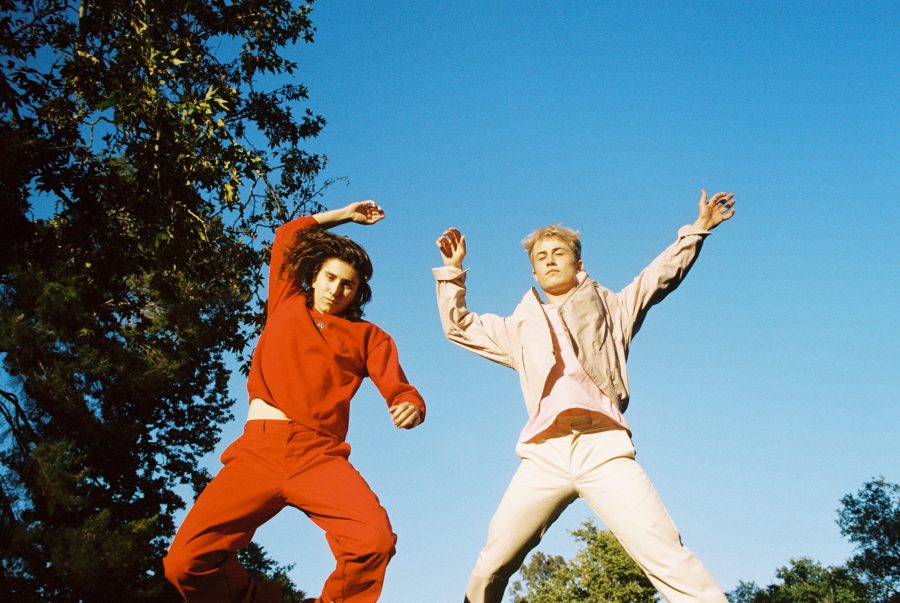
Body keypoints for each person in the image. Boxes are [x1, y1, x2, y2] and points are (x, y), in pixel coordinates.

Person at [434, 190, 736, 603]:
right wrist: (452, 271)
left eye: (559, 253)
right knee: (492, 563)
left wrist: (697, 229)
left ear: (579, 265)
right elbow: (459, 327)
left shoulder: (613, 309)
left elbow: (657, 277)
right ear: (534, 273)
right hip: (545, 454)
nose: (550, 260)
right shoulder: (518, 327)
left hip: (603, 449)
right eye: (541, 257)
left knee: (665, 552)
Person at [164, 200, 425, 603]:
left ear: (358, 292)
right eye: (330, 278)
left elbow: (400, 388)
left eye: (348, 284)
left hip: (318, 455)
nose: (336, 290)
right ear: (314, 277)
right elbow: (288, 235)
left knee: (373, 541)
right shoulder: (287, 301)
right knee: (185, 562)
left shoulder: (369, 337)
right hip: (259, 450)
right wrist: (344, 215)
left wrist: (411, 405)